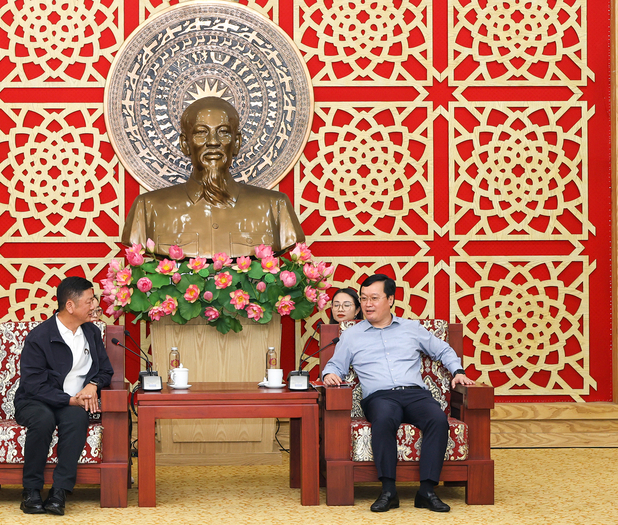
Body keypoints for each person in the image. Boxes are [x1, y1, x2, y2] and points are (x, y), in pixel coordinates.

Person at [322, 274, 474, 513]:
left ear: (390, 299)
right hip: (379, 396)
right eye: (363, 299)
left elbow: (443, 349)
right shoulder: (351, 334)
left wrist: (458, 371)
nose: (367, 304)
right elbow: (334, 365)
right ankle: (388, 491)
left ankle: (426, 491)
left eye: (374, 298)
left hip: (415, 394)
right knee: (384, 419)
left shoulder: (411, 328)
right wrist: (328, 374)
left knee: (437, 419)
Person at [121, 97, 305, 258]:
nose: (213, 142)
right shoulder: (147, 208)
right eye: (201, 133)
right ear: (185, 144)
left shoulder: (275, 207)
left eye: (223, 132)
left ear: (236, 143)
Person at [14, 276, 114, 515]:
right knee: (43, 419)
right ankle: (31, 490)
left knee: (77, 418)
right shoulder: (39, 337)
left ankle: (59, 491)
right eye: (89, 301)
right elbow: (34, 385)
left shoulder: (90, 332)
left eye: (94, 299)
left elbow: (106, 370)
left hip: (72, 402)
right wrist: (71, 400)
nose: (95, 305)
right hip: (35, 401)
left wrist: (92, 385)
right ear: (70, 306)